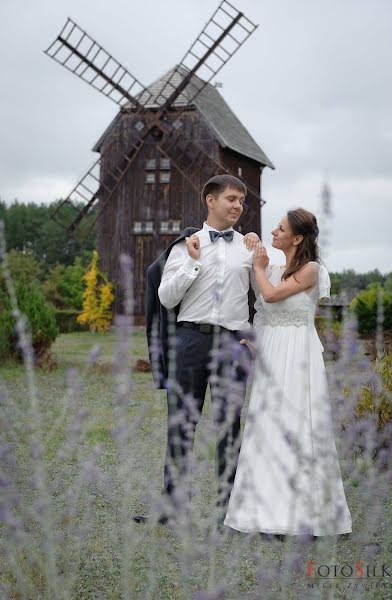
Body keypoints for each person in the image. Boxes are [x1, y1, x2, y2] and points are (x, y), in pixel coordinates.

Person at [134, 174, 260, 526]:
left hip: (233, 344)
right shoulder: (184, 246)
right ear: (210, 200)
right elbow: (165, 296)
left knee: (229, 428)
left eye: (241, 201)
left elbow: (263, 297)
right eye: (231, 199)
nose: (237, 206)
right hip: (190, 341)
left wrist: (257, 336)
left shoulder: (249, 247)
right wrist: (192, 262)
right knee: (181, 425)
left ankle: (230, 513)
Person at [224, 208, 353, 536]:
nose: (273, 232)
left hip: (298, 354)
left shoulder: (311, 270)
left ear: (297, 238)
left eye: (280, 229)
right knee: (267, 425)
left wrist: (258, 266)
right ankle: (265, 512)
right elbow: (264, 311)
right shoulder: (275, 266)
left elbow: (269, 293)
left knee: (297, 426)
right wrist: (252, 241)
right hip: (273, 353)